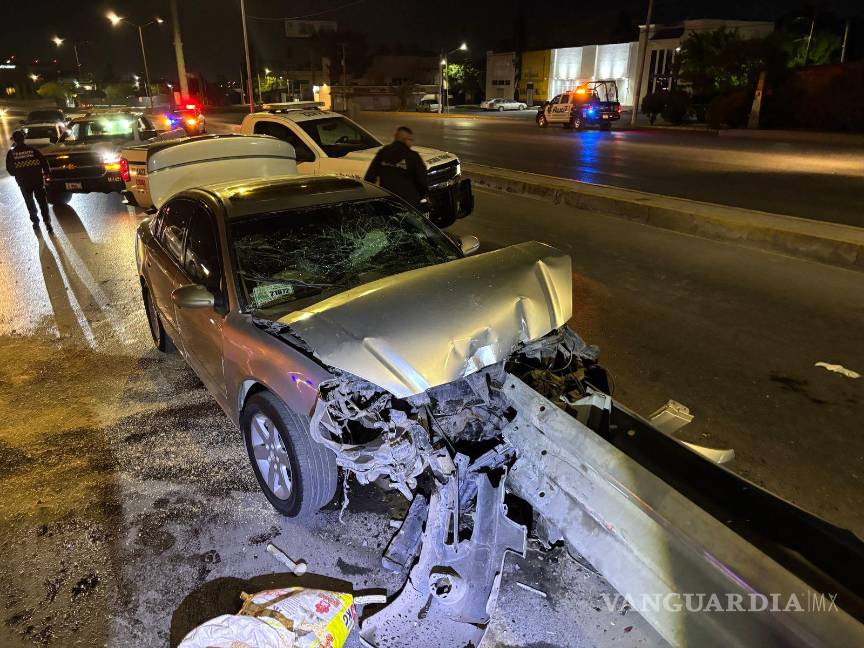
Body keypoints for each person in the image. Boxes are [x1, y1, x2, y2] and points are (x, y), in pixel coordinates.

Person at [364, 126, 427, 209]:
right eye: (410, 140)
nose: (411, 143)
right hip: (408, 203)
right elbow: (422, 181)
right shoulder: (413, 156)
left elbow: (369, 177)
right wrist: (421, 196)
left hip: (388, 202)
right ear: (405, 140)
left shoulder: (383, 152)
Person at [6, 130, 52, 233]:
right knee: (42, 202)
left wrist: (18, 173)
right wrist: (46, 173)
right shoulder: (33, 150)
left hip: (24, 183)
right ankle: (47, 221)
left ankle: (35, 221)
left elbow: (10, 170)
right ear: (23, 139)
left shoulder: (12, 154)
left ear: (14, 140)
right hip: (37, 181)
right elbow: (44, 162)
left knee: (29, 202)